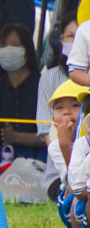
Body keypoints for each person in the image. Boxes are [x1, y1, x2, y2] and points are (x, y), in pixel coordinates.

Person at [0, 23, 45, 164]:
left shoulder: (45, 86)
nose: (8, 50)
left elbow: (57, 135)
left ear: (27, 50)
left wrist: (16, 137)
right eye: (2, 46)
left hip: (42, 166)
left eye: (14, 45)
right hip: (2, 168)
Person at [43, 80, 86, 228]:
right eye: (59, 108)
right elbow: (73, 179)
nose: (67, 112)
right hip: (77, 192)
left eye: (75, 105)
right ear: (53, 118)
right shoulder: (55, 146)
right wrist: (64, 145)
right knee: (73, 198)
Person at [36, 11, 77, 145]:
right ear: (61, 39)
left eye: (82, 37)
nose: (76, 42)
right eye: (71, 36)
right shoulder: (49, 78)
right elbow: (46, 129)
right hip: (58, 162)